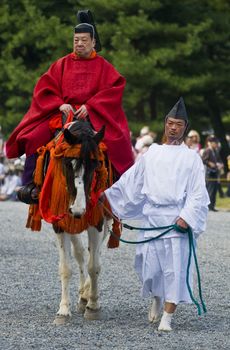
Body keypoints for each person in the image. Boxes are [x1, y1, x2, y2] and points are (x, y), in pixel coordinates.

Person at [101, 97, 209, 332]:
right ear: (165, 124)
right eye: (170, 122)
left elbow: (198, 194)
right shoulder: (152, 153)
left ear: (185, 127)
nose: (173, 127)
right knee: (149, 268)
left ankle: (167, 318)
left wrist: (186, 217)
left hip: (175, 222)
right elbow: (132, 179)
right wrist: (109, 195)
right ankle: (157, 298)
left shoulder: (191, 158)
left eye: (179, 124)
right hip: (151, 219)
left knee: (174, 269)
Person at [5, 10, 134, 204]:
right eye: (76, 40)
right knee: (31, 137)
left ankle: (115, 187)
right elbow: (44, 89)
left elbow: (114, 89)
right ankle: (32, 185)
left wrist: (91, 106)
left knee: (115, 141)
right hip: (62, 114)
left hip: (93, 115)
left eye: (83, 40)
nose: (79, 44)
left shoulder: (104, 66)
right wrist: (59, 103)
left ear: (92, 42)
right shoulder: (61, 64)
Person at [202, 136, 224, 211]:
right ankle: (208, 206)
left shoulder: (215, 151)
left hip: (215, 172)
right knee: (210, 190)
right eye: (215, 143)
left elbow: (219, 160)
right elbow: (203, 160)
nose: (217, 144)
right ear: (211, 143)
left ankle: (212, 206)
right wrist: (209, 163)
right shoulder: (207, 150)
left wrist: (220, 164)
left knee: (214, 190)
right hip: (209, 173)